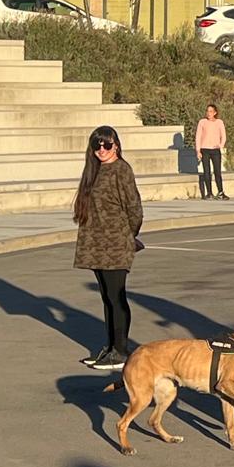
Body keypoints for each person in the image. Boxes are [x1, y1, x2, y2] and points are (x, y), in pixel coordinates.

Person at [72, 125, 144, 372]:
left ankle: (121, 350)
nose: (101, 150)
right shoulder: (93, 170)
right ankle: (111, 346)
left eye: (106, 145)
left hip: (115, 243)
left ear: (116, 145)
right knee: (106, 297)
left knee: (116, 297)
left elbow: (134, 208)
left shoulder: (121, 170)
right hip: (96, 243)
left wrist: (127, 235)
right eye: (97, 145)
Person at [196, 104, 228, 200]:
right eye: (207, 111)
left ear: (215, 112)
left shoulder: (219, 122)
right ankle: (209, 193)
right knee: (207, 171)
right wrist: (198, 150)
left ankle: (221, 192)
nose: (208, 113)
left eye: (210, 111)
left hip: (215, 150)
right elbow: (198, 137)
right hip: (204, 149)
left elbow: (223, 136)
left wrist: (220, 146)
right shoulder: (202, 122)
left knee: (217, 171)